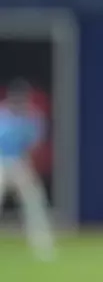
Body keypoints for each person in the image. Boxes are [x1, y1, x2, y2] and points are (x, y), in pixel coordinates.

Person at [0, 78, 55, 261]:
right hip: (1, 161)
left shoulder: (32, 116)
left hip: (19, 162)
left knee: (34, 200)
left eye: (21, 99)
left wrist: (27, 163)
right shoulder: (3, 114)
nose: (19, 103)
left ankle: (42, 246)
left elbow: (34, 143)